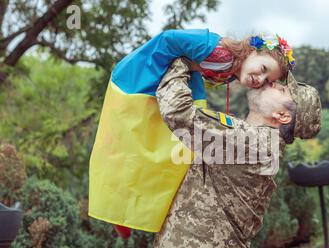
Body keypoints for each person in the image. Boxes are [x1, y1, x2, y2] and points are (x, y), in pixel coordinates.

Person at [88, 29, 296, 237]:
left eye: (267, 79)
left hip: (164, 84)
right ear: (251, 50)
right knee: (133, 139)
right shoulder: (218, 51)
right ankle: (116, 207)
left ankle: (127, 209)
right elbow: (168, 39)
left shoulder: (231, 71)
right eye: (262, 68)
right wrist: (179, 65)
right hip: (141, 78)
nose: (260, 78)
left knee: (169, 153)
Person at [150, 58, 321, 248]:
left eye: (281, 89)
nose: (270, 83)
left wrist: (182, 60)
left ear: (282, 116)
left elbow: (177, 113)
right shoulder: (259, 141)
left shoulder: (254, 144)